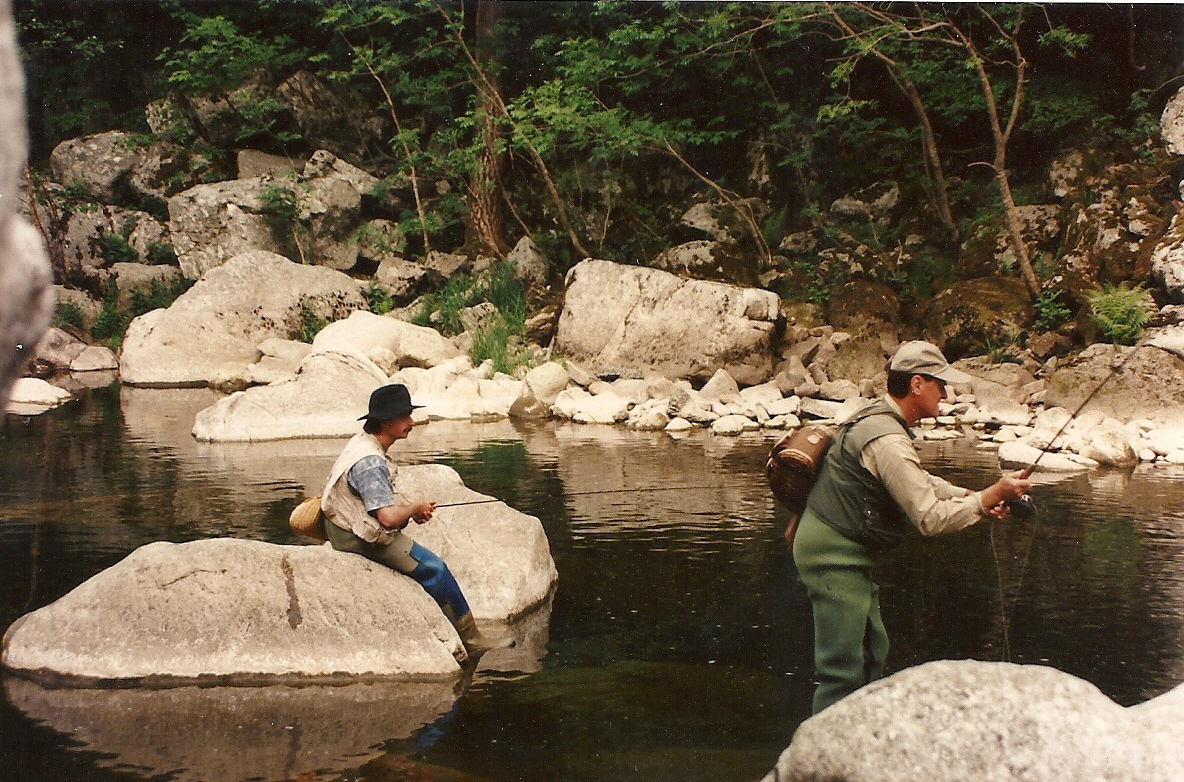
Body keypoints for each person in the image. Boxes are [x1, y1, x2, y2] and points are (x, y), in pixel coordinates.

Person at [791, 340, 1032, 714]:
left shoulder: (877, 418)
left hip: (840, 548)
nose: (947, 394)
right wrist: (984, 502)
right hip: (832, 555)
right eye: (941, 384)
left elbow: (919, 480)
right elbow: (928, 517)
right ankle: (818, 765)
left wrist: (978, 494)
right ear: (917, 385)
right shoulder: (887, 438)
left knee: (874, 651)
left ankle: (857, 743)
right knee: (841, 670)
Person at [320, 383, 511, 657]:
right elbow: (386, 519)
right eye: (405, 416)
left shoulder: (362, 443)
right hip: (353, 537)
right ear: (386, 422)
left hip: (339, 527)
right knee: (435, 569)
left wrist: (410, 507)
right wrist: (413, 509)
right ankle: (472, 639)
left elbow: (374, 499)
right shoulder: (370, 462)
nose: (411, 422)